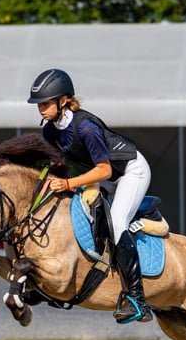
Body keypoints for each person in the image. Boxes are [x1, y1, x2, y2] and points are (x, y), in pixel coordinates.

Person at [28, 68, 153, 324]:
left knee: (117, 223)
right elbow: (59, 165)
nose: (41, 109)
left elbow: (105, 169)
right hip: (103, 177)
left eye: (46, 103)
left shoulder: (85, 127)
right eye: (38, 104)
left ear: (63, 100)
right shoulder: (50, 131)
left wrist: (68, 182)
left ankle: (137, 300)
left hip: (129, 171)